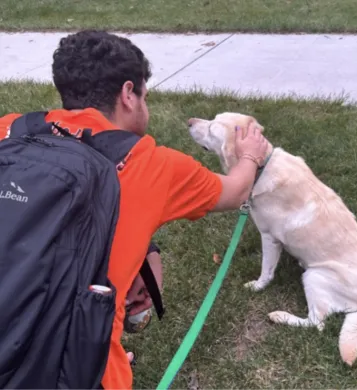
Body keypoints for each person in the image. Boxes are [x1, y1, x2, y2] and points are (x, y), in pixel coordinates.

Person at [0, 30, 270, 389]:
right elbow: (235, 192)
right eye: (145, 95)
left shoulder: (11, 129)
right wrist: (250, 154)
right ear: (129, 94)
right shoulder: (152, 164)